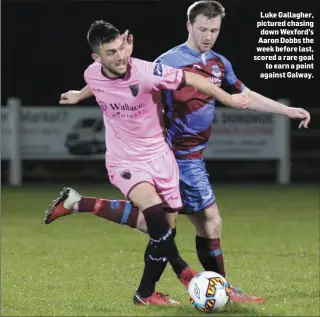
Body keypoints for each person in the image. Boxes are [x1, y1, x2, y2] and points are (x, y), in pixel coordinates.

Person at [47, 1, 311, 305]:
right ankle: (219, 289)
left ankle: (140, 285)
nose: (209, 36)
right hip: (174, 153)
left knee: (158, 225)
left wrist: (286, 110)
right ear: (189, 26)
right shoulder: (169, 60)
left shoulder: (218, 63)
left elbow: (244, 96)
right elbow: (119, 76)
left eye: (214, 30)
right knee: (207, 220)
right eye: (202, 29)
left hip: (186, 156)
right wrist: (81, 93)